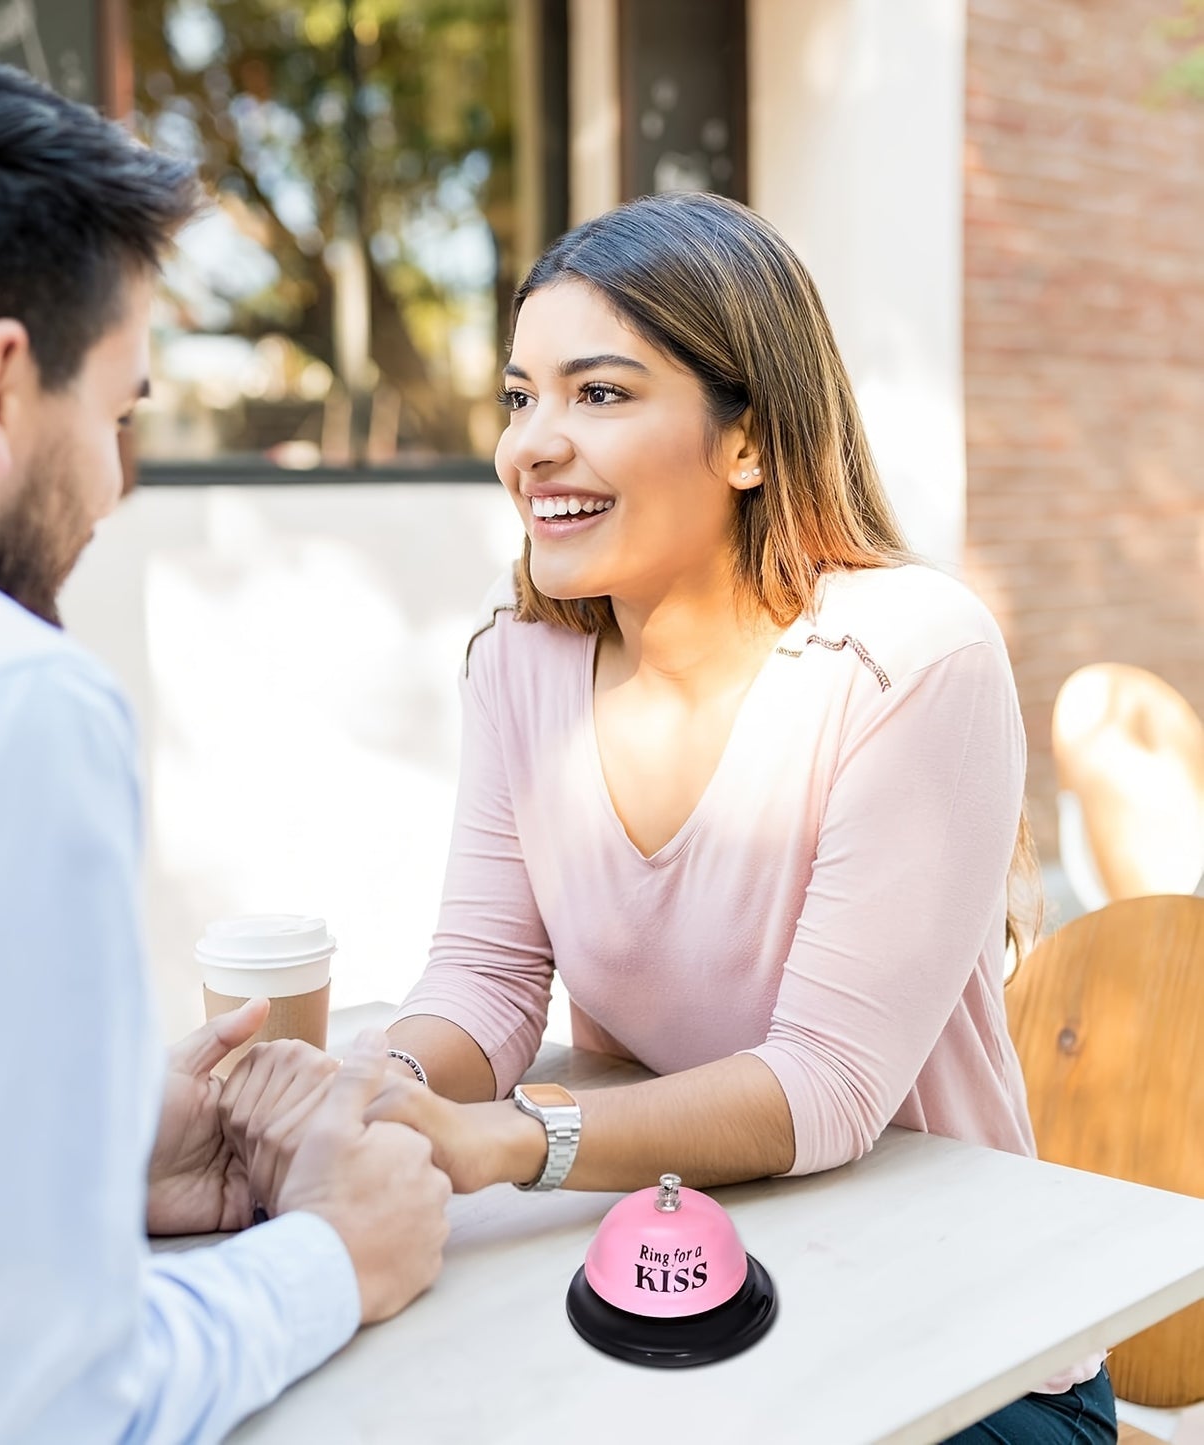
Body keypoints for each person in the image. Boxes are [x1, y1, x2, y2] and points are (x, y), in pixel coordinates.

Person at [0, 36, 449, 1445]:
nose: (116, 483)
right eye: (119, 409)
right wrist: (333, 1254)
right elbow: (17, 1409)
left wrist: (77, 1151)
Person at [370, 193, 1116, 1443]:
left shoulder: (904, 659)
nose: (532, 446)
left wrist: (502, 1140)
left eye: (597, 394)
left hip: (955, 1351)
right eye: (518, 398)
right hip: (687, 1294)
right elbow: (487, 977)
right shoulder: (518, 665)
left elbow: (822, 1086)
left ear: (748, 442)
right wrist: (377, 1092)